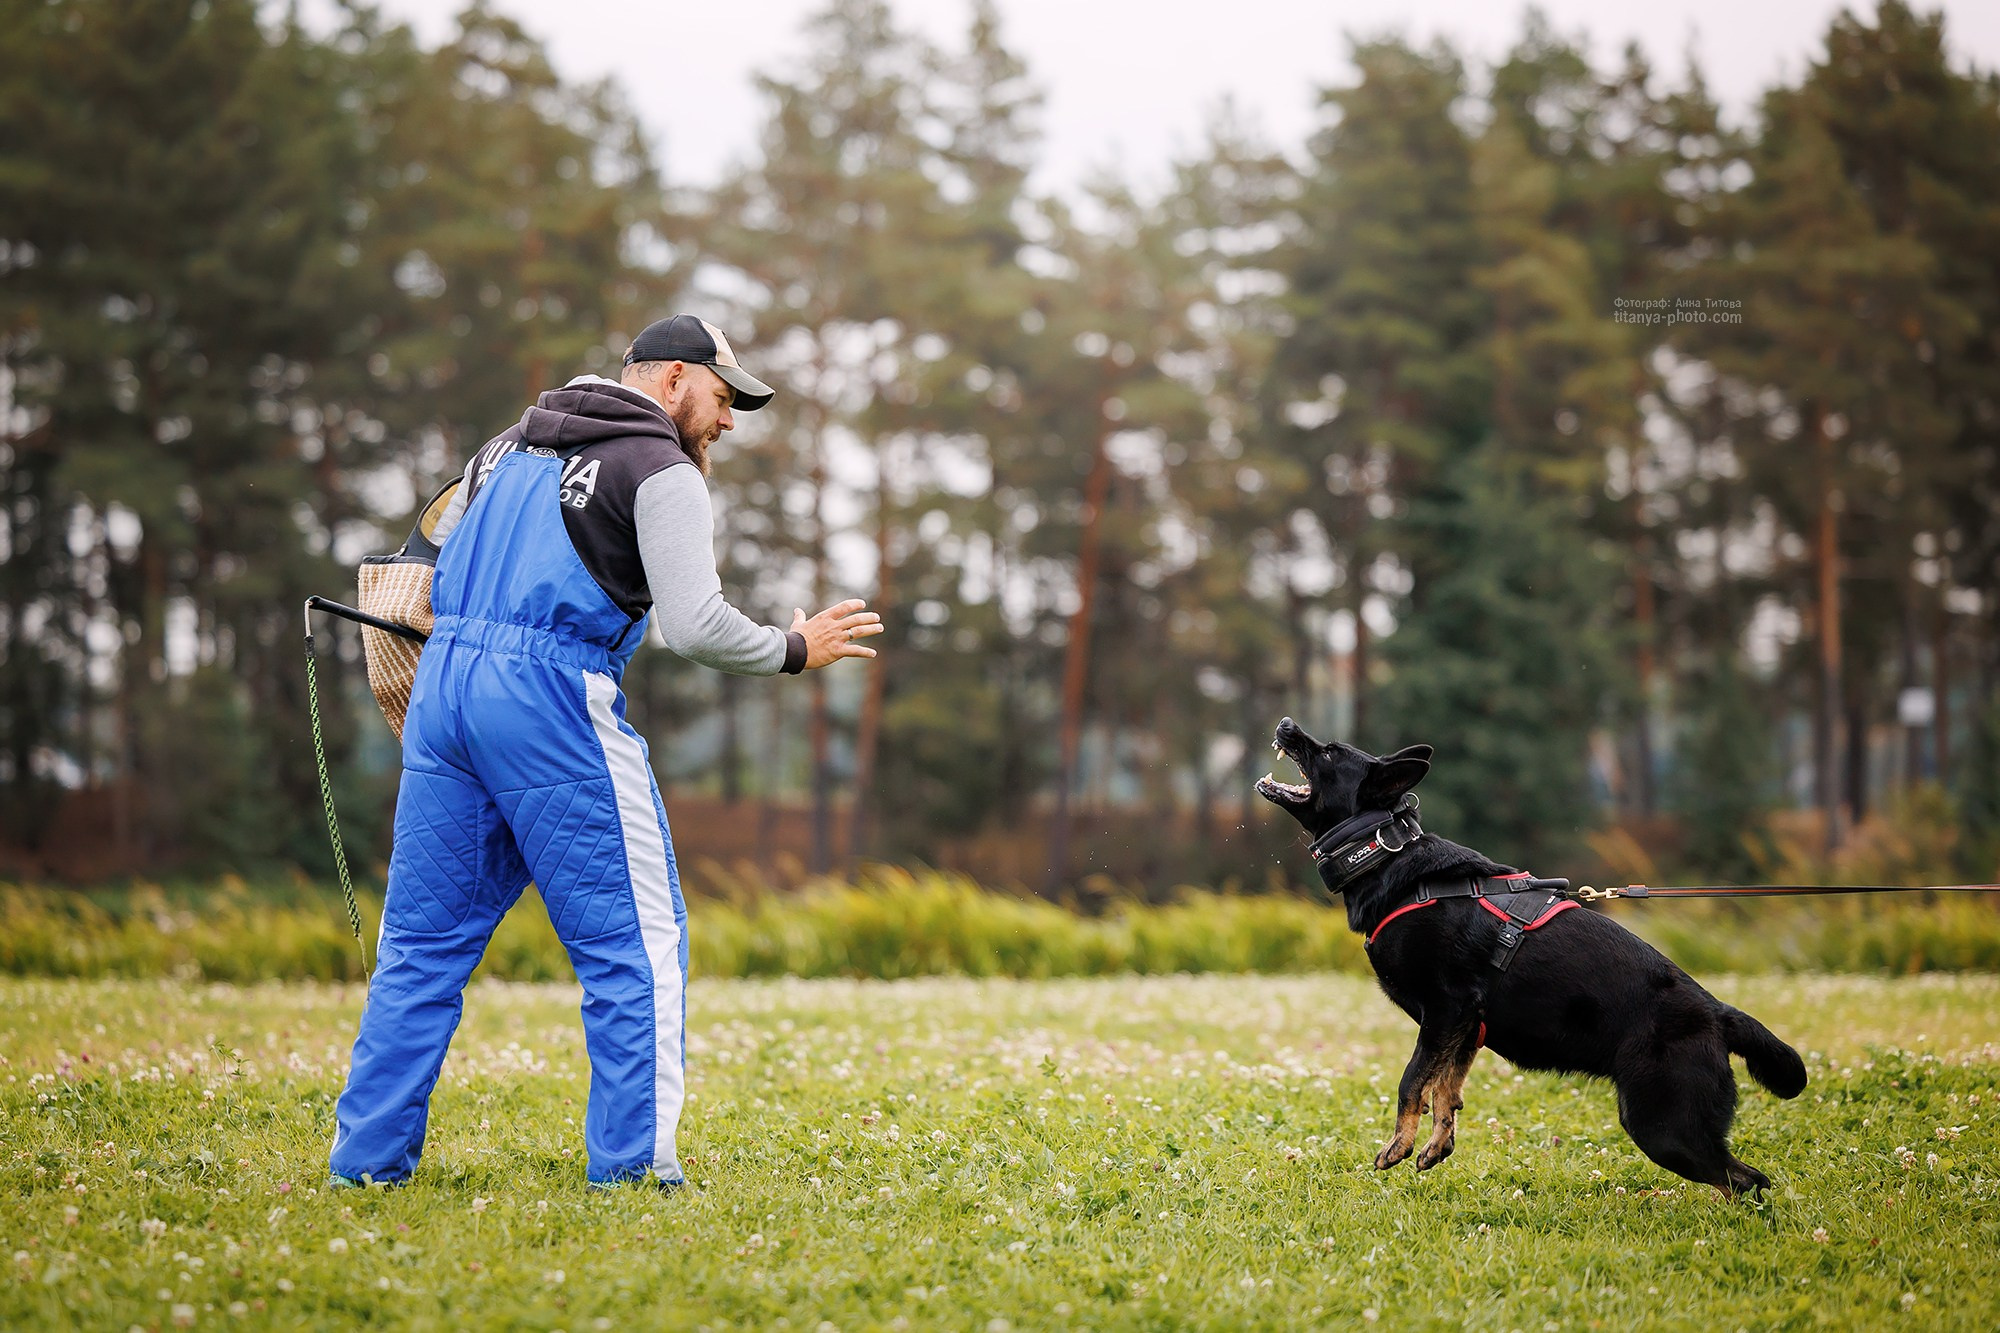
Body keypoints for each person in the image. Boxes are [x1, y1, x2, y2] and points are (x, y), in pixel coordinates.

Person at [328, 314, 880, 1190]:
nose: (730, 420)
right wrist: (794, 646)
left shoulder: (508, 444)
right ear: (670, 380)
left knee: (420, 949)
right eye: (723, 396)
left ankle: (364, 1168)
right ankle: (634, 1172)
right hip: (549, 697)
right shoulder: (658, 466)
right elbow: (694, 625)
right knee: (637, 944)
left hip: (446, 694)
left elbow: (425, 557)